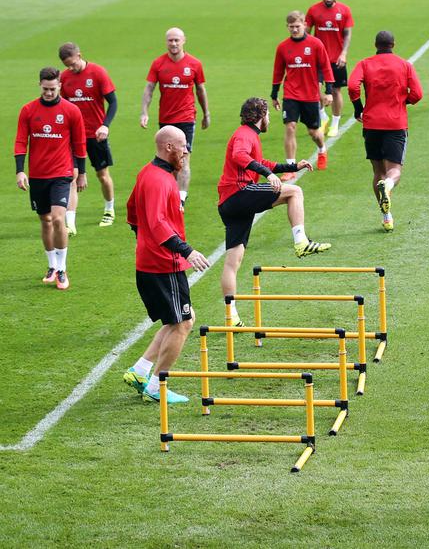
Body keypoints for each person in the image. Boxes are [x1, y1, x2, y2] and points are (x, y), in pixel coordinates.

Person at [217, 98, 331, 325]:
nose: (269, 119)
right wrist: (269, 176)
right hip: (239, 193)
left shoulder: (248, 135)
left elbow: (260, 162)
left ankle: (231, 315)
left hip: (228, 203)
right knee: (294, 192)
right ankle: (301, 242)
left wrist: (291, 166)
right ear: (260, 116)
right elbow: (239, 156)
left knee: (233, 260)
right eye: (268, 115)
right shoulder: (245, 135)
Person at [121, 126, 212, 403]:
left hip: (150, 262)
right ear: (169, 147)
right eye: (183, 145)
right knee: (183, 323)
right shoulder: (160, 180)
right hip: (163, 266)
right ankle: (156, 386)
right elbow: (158, 222)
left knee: (181, 319)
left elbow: (132, 211)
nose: (187, 150)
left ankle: (141, 370)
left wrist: (144, 240)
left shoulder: (147, 173)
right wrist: (187, 251)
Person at [14, 68, 87, 290]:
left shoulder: (71, 111)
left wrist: (81, 173)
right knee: (45, 221)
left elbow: (79, 144)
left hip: (61, 175)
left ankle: (63, 270)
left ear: (60, 86)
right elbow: (20, 142)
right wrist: (20, 170)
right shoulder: (28, 110)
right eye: (45, 89)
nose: (48, 93)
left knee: (57, 219)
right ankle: (52, 266)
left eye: (52, 89)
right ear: (39, 85)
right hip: (37, 175)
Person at [348, 30, 424, 232]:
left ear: (376, 44)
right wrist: (403, 100)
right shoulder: (405, 65)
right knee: (394, 171)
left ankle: (386, 216)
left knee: (377, 172)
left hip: (372, 124)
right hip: (395, 124)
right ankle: (388, 186)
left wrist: (358, 108)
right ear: (393, 44)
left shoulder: (365, 63)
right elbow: (417, 94)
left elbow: (352, 85)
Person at [140, 27, 211, 206]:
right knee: (167, 159)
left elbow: (201, 90)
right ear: (166, 42)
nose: (173, 43)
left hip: (186, 118)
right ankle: (171, 193)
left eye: (176, 40)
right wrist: (144, 112)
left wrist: (206, 114)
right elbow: (149, 88)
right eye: (170, 40)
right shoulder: (158, 64)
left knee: (183, 158)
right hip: (166, 119)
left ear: (183, 40)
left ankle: (180, 199)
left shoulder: (194, 64)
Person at [59, 42, 118, 232]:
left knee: (102, 175)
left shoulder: (98, 73)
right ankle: (70, 223)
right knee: (73, 177)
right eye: (67, 65)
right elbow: (63, 107)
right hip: (73, 137)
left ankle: (109, 210)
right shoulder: (64, 77)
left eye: (73, 63)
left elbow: (113, 102)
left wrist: (105, 125)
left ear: (79, 55)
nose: (71, 68)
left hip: (96, 135)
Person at [273, 11, 334, 176]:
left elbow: (326, 67)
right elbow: (278, 71)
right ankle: (291, 168)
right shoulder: (283, 47)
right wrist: (274, 94)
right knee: (290, 127)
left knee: (314, 132)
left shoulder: (315, 44)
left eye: (297, 26)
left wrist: (329, 91)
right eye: (291, 27)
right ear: (287, 27)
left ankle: (322, 149)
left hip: (310, 95)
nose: (294, 30)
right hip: (291, 94)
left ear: (305, 25)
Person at [306, 0, 354, 137]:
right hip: (318, 59)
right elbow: (306, 33)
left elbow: (347, 34)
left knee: (336, 91)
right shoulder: (313, 10)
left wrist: (344, 53)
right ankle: (323, 116)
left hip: (336, 59)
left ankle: (335, 123)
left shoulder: (344, 10)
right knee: (314, 89)